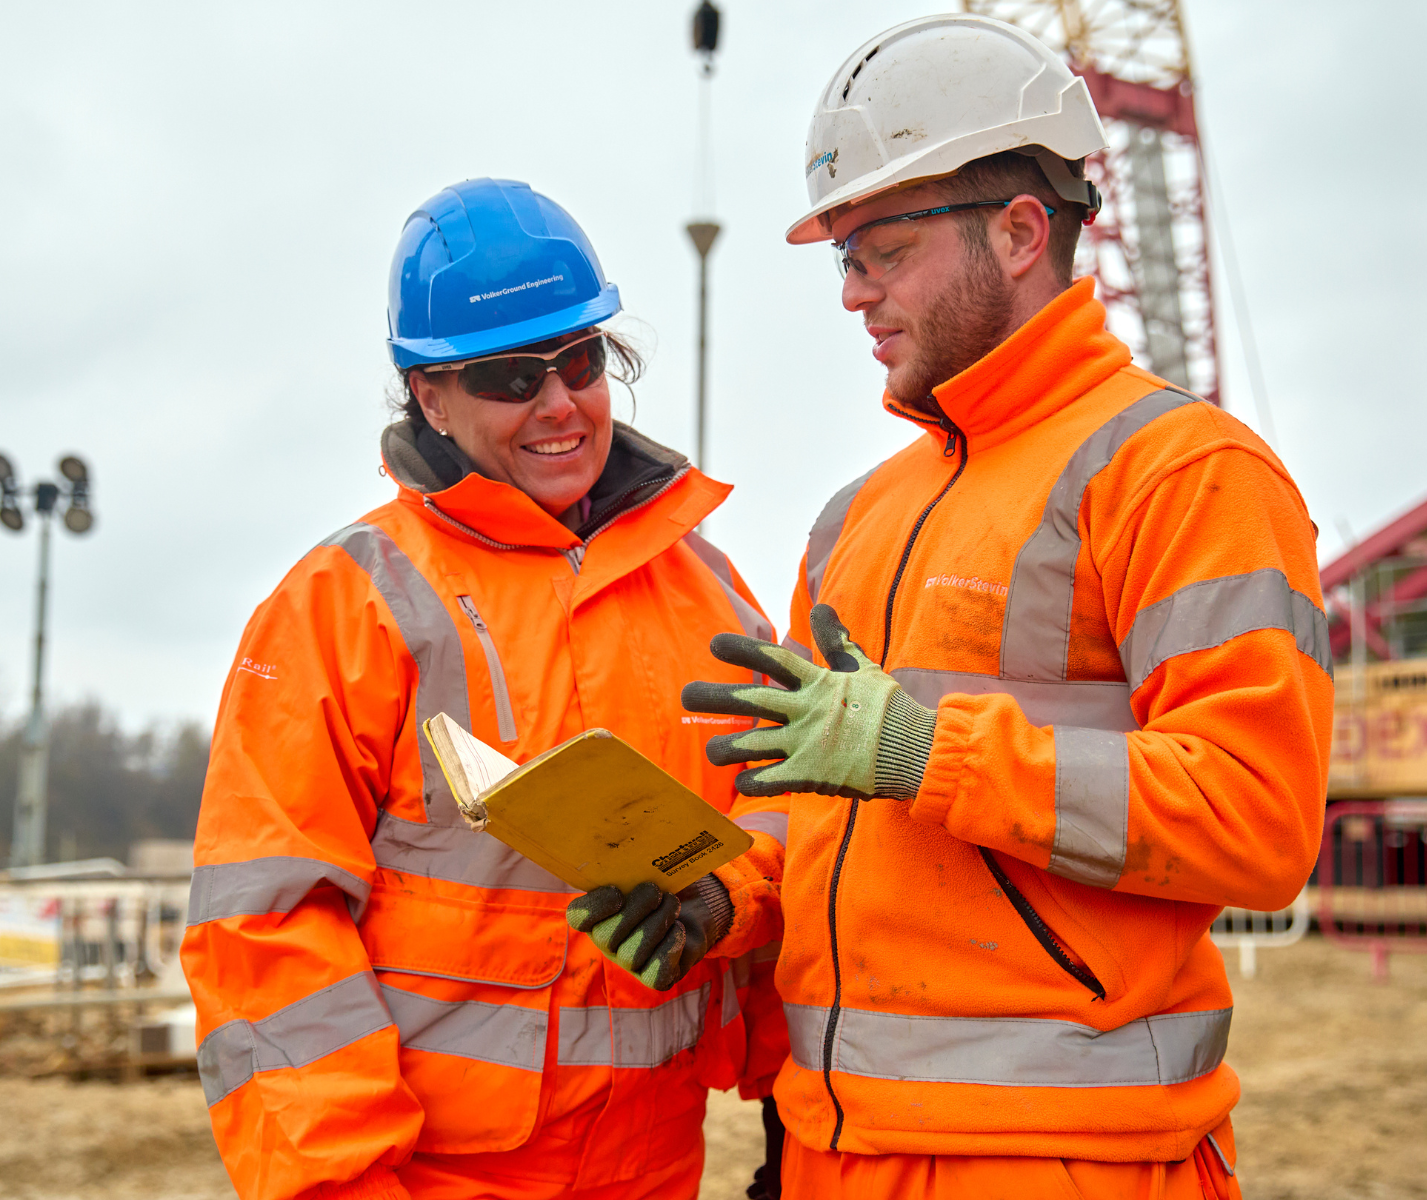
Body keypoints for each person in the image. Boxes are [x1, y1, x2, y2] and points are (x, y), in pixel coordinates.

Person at [671, 15, 1333, 1199]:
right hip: (829, 1150)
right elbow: (806, 811)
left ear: (1021, 231)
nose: (851, 294)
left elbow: (1255, 818)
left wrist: (928, 752)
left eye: (877, 248)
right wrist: (721, 893)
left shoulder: (1181, 473)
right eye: (839, 258)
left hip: (1057, 1160)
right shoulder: (851, 518)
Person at [181, 177, 788, 1200]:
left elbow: (791, 819)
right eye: (511, 377)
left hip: (654, 1170)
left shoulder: (711, 591)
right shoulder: (348, 602)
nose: (558, 403)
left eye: (581, 362)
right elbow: (265, 936)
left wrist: (726, 899)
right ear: (429, 396)